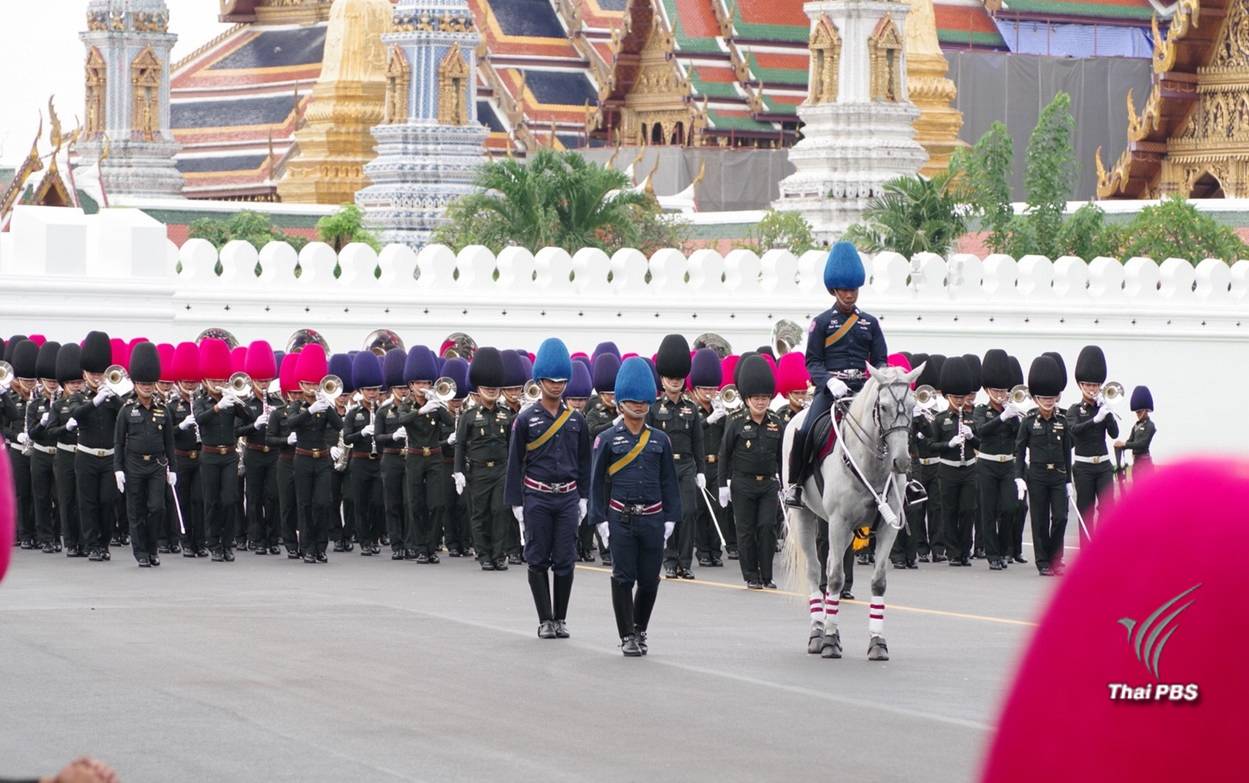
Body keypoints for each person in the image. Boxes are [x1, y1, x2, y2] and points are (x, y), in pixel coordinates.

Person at [590, 356, 681, 656]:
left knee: (650, 579)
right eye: (633, 400)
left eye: (644, 400)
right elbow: (596, 481)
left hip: (653, 518)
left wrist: (671, 517)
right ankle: (627, 634)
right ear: (621, 402)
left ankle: (641, 628)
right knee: (622, 577)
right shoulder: (606, 439)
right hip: (622, 517)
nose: (640, 406)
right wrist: (600, 520)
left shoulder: (660, 440)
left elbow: (670, 481)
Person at [784, 242, 887, 508]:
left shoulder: (870, 324)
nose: (850, 295)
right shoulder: (821, 323)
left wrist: (874, 383)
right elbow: (813, 361)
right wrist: (830, 381)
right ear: (834, 290)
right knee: (805, 429)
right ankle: (795, 484)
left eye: (853, 289)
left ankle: (902, 484)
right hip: (831, 390)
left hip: (862, 390)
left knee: (892, 427)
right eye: (844, 290)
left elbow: (880, 360)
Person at [505, 338, 591, 640]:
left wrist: (584, 497)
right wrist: (516, 503)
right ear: (540, 381)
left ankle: (561, 618)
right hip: (537, 495)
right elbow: (515, 462)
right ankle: (545, 619)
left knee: (566, 559)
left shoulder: (577, 420)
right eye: (551, 380)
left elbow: (584, 461)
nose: (556, 385)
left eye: (561, 380)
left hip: (567, 495)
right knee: (538, 557)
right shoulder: (526, 418)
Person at [719, 354, 784, 589]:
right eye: (756, 398)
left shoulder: (777, 422)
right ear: (747, 399)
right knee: (745, 531)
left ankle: (767, 574)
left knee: (767, 528)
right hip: (742, 483)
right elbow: (724, 453)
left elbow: (781, 456)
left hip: (768, 484)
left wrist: (785, 483)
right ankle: (751, 575)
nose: (760, 402)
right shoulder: (736, 421)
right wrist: (722, 485)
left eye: (765, 397)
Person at [113, 342, 176, 567]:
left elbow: (169, 442)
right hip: (134, 465)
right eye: (143, 383)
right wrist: (118, 469)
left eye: (150, 383)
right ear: (135, 384)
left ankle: (153, 547)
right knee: (136, 510)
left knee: (157, 507)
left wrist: (173, 469)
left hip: (157, 465)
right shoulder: (127, 410)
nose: (147, 387)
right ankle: (141, 552)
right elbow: (119, 442)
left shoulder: (163, 410)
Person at [648, 334, 705, 581]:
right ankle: (670, 560)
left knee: (689, 512)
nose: (675, 382)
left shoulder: (691, 409)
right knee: (668, 512)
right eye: (671, 378)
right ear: (662, 378)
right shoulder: (653, 408)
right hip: (663, 465)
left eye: (679, 378)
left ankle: (685, 562)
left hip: (686, 465)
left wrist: (700, 471)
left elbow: (698, 443)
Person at [193, 338, 255, 562]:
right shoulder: (200, 400)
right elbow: (200, 419)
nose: (217, 383)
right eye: (213, 380)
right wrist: (218, 407)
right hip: (209, 454)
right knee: (211, 501)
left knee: (229, 499)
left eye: (221, 379)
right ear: (205, 380)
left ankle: (227, 543)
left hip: (229, 455)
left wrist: (237, 401)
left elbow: (249, 418)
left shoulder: (230, 400)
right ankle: (213, 543)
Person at [391, 346, 454, 563]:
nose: (423, 387)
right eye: (419, 383)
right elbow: (401, 420)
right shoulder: (406, 404)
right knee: (415, 504)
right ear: (411, 385)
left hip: (435, 456)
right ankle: (419, 547)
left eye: (426, 383)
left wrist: (438, 404)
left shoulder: (435, 404)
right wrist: (420, 411)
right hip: (416, 456)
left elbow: (451, 423)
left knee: (436, 504)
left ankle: (431, 546)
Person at [454, 347, 514, 571]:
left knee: (500, 512)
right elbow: (460, 445)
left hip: (501, 470)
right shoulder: (469, 416)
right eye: (487, 387)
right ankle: (484, 554)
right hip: (477, 471)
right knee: (479, 514)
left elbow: (511, 444)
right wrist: (458, 471)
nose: (491, 391)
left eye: (494, 388)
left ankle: (499, 554)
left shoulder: (506, 415)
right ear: (478, 389)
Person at [1015, 355, 1073, 576]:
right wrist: (1019, 476)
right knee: (1039, 520)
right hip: (1037, 475)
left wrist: (1069, 480)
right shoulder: (1028, 422)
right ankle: (1044, 562)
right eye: (1044, 398)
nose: (1048, 401)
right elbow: (1019, 450)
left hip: (1058, 475)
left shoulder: (1063, 422)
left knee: (1060, 517)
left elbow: (1067, 452)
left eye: (1052, 398)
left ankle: (1056, 557)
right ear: (1036, 398)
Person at [70, 331, 125, 563]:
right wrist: (95, 401)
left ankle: (104, 543)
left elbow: (125, 416)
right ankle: (92, 544)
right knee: (88, 503)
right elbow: (75, 414)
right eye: (92, 373)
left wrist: (112, 396)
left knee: (106, 502)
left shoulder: (113, 397)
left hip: (109, 457)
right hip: (86, 456)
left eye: (99, 373)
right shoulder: (78, 396)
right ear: (84, 374)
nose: (96, 377)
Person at [285, 346, 342, 564]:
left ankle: (321, 546)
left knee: (323, 502)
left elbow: (338, 426)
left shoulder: (324, 405)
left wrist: (329, 407)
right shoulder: (296, 406)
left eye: (314, 384)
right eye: (307, 384)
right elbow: (290, 423)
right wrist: (309, 411)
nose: (311, 388)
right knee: (305, 504)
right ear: (300, 385)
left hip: (322, 459)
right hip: (303, 458)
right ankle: (307, 547)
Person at [927, 356, 979, 567]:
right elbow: (931, 444)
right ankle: (953, 552)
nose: (960, 400)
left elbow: (981, 444)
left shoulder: (971, 418)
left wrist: (971, 437)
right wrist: (949, 444)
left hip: (968, 469)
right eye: (956, 397)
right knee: (948, 511)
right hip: (948, 469)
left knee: (968, 510)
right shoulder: (940, 419)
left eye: (962, 397)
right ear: (948, 396)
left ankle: (965, 550)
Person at [973, 350, 1022, 571]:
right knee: (988, 510)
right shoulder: (981, 410)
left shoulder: (1011, 412)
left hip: (1007, 464)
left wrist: (1013, 416)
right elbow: (981, 431)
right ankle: (993, 554)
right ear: (987, 390)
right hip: (987, 464)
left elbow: (1019, 437)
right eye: (996, 390)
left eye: (1003, 390)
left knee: (1010, 508)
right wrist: (1002, 417)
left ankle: (1004, 549)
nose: (1001, 394)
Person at [1068, 345, 1118, 545]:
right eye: (1088, 385)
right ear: (1081, 385)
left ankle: (1104, 547)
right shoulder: (1074, 409)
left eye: (1096, 385)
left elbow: (1114, 434)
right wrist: (1095, 420)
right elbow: (1074, 430)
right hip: (1084, 467)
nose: (1092, 389)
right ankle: (1087, 549)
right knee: (1085, 509)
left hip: (1104, 465)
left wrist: (1108, 413)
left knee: (1108, 507)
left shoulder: (1103, 409)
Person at [238, 341, 281, 555]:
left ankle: (273, 537)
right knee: (253, 497)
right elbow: (238, 430)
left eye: (267, 381)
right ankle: (256, 537)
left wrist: (277, 417)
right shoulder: (246, 404)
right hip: (254, 451)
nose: (264, 385)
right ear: (252, 380)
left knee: (273, 496)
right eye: (260, 381)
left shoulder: (277, 402)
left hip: (273, 454)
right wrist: (254, 424)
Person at [344, 350, 385, 556]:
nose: (372, 393)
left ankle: (375, 536)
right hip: (360, 461)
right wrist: (362, 432)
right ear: (361, 391)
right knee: (360, 503)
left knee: (378, 502)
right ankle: (364, 540)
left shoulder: (383, 412)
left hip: (378, 462)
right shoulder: (354, 413)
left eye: (375, 389)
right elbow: (346, 438)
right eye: (368, 389)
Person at [689, 348, 727, 568]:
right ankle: (702, 550)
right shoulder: (692, 411)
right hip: (699, 463)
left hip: (718, 464)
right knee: (701, 510)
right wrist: (708, 420)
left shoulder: (720, 408)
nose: (710, 392)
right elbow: (690, 435)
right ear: (696, 390)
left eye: (713, 388)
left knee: (719, 509)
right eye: (705, 388)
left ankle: (715, 550)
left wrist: (725, 415)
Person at [580, 351, 620, 564]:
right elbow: (593, 429)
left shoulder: (622, 410)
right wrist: (613, 424)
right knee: (601, 510)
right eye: (608, 394)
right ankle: (605, 551)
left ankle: (616, 549)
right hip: (600, 467)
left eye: (614, 394)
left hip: (619, 467)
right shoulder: (596, 411)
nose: (612, 398)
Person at [169, 342, 206, 557]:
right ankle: (186, 540)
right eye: (186, 383)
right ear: (179, 382)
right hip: (181, 457)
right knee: (182, 500)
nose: (191, 387)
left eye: (194, 383)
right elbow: (166, 433)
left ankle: (200, 541)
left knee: (199, 499)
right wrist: (180, 426)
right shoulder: (172, 406)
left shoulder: (201, 403)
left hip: (199, 456)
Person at [372, 348, 410, 560]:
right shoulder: (383, 411)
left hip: (409, 457)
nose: (403, 391)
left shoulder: (414, 408)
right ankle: (397, 544)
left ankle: (410, 541)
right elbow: (378, 437)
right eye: (399, 387)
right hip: (391, 457)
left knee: (409, 502)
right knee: (393, 503)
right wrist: (392, 436)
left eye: (405, 387)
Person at [25, 341, 62, 554]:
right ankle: (45, 537)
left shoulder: (62, 402)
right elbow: (32, 432)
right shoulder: (35, 404)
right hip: (40, 453)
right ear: (42, 381)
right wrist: (42, 423)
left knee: (59, 497)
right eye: (48, 380)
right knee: (41, 497)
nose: (52, 383)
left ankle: (57, 535)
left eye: (54, 380)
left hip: (58, 453)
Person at [49, 343, 84, 557]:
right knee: (66, 499)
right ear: (64, 384)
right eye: (72, 383)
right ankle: (70, 541)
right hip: (64, 454)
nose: (76, 386)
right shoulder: (57, 406)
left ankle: (84, 540)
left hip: (83, 453)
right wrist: (65, 427)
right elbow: (50, 432)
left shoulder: (88, 402)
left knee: (83, 499)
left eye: (79, 382)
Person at [1, 337, 35, 551]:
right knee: (20, 492)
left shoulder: (38, 396)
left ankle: (35, 531)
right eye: (27, 380)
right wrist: (16, 437)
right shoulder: (9, 394)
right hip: (14, 449)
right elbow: (5, 424)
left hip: (35, 448)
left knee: (36, 492)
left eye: (33, 380)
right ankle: (21, 532)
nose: (30, 384)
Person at [1116, 385, 1155, 480]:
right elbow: (1130, 440)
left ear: (1146, 410)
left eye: (1139, 411)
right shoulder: (1136, 426)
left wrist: (1125, 444)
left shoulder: (1150, 426)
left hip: (1145, 463)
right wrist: (1121, 445)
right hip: (1136, 463)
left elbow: (1142, 444)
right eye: (1136, 412)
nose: (1137, 414)